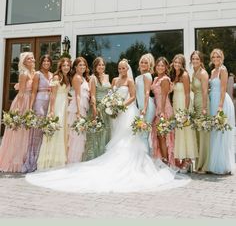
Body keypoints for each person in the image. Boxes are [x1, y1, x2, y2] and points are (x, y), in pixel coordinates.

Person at [26, 60, 189, 193]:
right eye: (119, 67)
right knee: (115, 136)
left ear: (128, 68)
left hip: (127, 111)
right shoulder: (115, 80)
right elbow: (111, 94)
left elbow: (133, 97)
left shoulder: (131, 80)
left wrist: (121, 106)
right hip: (115, 115)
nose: (122, 69)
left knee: (128, 138)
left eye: (124, 67)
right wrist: (113, 106)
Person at [0, 52, 35, 173]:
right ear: (24, 62)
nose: (32, 60)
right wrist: (19, 109)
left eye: (32, 58)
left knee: (28, 132)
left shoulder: (34, 73)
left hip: (31, 101)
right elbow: (20, 93)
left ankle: (27, 158)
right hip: (23, 101)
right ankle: (15, 160)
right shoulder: (24, 74)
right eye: (29, 59)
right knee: (20, 131)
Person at [37, 57, 71, 169]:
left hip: (64, 105)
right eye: (64, 65)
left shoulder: (67, 77)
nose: (66, 67)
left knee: (62, 131)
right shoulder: (57, 77)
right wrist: (51, 110)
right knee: (57, 130)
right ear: (60, 67)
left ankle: (60, 157)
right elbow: (53, 94)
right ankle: (51, 160)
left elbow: (65, 92)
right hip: (57, 106)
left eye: (68, 65)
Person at [22, 55, 53, 173]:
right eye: (44, 60)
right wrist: (30, 108)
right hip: (39, 102)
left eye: (48, 61)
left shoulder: (52, 75)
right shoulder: (37, 75)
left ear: (50, 63)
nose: (46, 62)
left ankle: (42, 160)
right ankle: (32, 161)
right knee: (36, 132)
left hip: (49, 103)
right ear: (41, 62)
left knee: (45, 132)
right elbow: (34, 92)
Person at [208, 49, 235, 175]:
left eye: (218, 56)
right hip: (212, 102)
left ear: (221, 57)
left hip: (221, 102)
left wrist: (220, 106)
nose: (215, 58)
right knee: (214, 133)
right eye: (213, 56)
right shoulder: (212, 71)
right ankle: (215, 163)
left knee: (221, 134)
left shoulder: (223, 70)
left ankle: (223, 165)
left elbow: (223, 89)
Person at [170, 54, 198, 171]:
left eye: (179, 63)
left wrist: (186, 112)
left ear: (182, 64)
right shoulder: (174, 74)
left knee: (186, 132)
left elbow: (187, 94)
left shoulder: (185, 75)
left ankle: (188, 160)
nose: (177, 64)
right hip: (176, 104)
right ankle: (183, 159)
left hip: (184, 105)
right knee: (179, 133)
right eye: (175, 62)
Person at [82, 57, 111, 161]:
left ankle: (103, 157)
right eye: (99, 65)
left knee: (105, 132)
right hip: (97, 108)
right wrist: (94, 109)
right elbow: (93, 95)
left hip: (106, 109)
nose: (101, 67)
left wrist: (111, 104)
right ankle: (94, 158)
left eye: (103, 65)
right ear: (95, 66)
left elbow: (109, 93)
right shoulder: (93, 78)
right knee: (95, 133)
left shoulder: (107, 77)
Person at [151, 57, 174, 165]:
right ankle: (163, 159)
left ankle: (167, 161)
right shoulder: (155, 79)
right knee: (159, 136)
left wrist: (162, 112)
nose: (160, 67)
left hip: (164, 109)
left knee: (163, 135)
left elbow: (164, 96)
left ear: (166, 68)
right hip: (157, 108)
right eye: (158, 65)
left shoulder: (165, 79)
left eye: (162, 66)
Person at [67, 57, 90, 163]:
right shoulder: (77, 78)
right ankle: (73, 161)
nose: (82, 67)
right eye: (80, 65)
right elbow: (77, 96)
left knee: (80, 135)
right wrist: (78, 112)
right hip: (78, 108)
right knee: (76, 136)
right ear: (75, 67)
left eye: (84, 65)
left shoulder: (83, 77)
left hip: (83, 108)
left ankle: (77, 160)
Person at [190, 51, 210, 174]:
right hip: (195, 104)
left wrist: (204, 108)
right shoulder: (194, 73)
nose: (195, 61)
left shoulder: (203, 73)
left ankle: (205, 165)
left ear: (201, 60)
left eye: (197, 59)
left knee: (203, 135)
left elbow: (204, 92)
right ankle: (198, 164)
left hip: (202, 103)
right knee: (197, 135)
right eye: (193, 59)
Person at [135, 53, 155, 153]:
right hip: (141, 107)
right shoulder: (139, 77)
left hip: (147, 107)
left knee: (144, 134)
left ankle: (145, 160)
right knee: (141, 133)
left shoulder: (147, 76)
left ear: (149, 65)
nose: (143, 64)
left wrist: (145, 108)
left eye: (146, 63)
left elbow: (147, 92)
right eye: (142, 62)